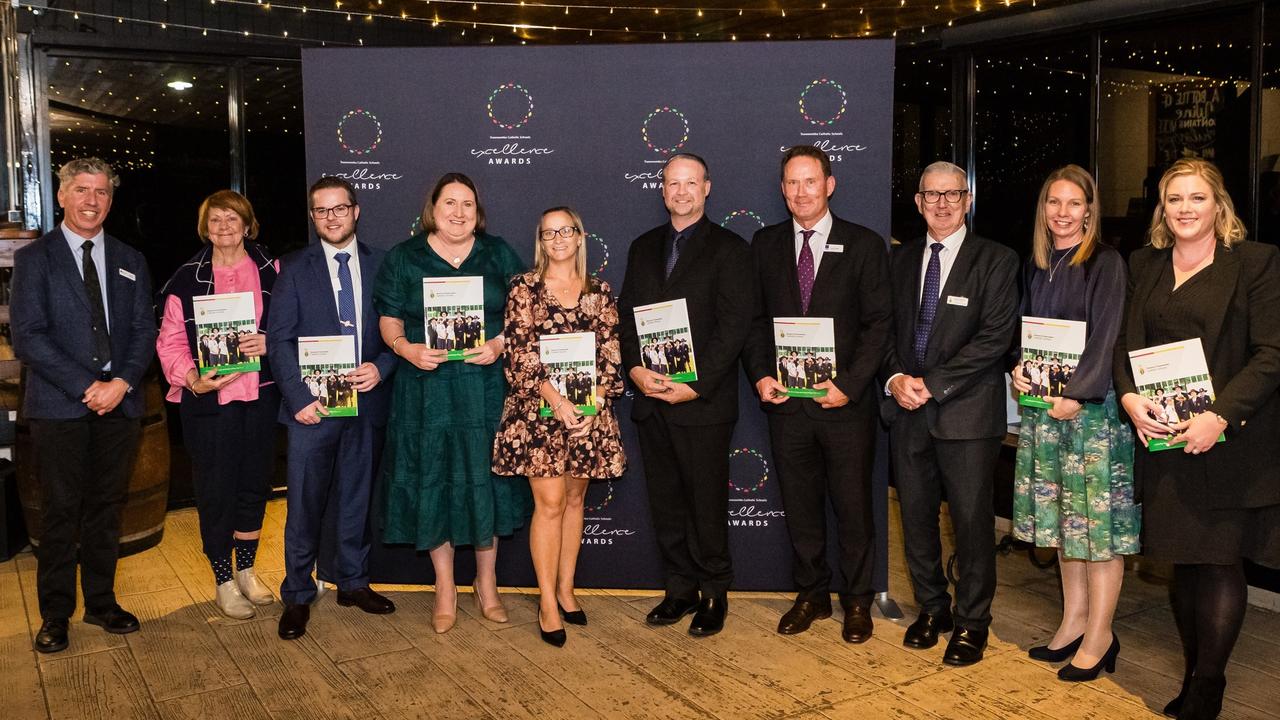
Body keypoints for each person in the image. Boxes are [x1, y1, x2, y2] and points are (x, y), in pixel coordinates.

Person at [1113, 158, 1280, 720]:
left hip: (1228, 442)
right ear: (1162, 208)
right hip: (1165, 441)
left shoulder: (1255, 262)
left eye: (1197, 198)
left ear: (1219, 204)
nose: (1185, 209)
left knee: (1217, 561)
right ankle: (1194, 675)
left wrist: (1221, 417)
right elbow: (1123, 346)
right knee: (1183, 562)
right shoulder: (1144, 263)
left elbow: (1272, 353)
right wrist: (1130, 398)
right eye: (1174, 199)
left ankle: (1208, 687)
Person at [743, 145, 892, 643]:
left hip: (845, 406)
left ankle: (856, 601)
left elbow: (878, 326)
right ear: (782, 190)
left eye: (810, 181)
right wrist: (762, 374)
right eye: (791, 183)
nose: (800, 192)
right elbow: (753, 321)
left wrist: (849, 385)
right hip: (788, 406)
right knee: (801, 505)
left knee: (853, 507)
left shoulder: (865, 245)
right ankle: (811, 595)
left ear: (829, 185)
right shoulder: (764, 246)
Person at [11, 158, 156, 653]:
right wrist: (86, 386)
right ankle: (55, 615)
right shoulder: (35, 260)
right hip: (59, 407)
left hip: (120, 404)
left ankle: (101, 603)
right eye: (81, 190)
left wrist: (120, 382)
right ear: (61, 197)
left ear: (110, 201)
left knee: (106, 509)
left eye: (101, 192)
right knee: (60, 512)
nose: (91, 200)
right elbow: (28, 337)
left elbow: (143, 331)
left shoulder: (130, 258)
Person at [375, 172, 530, 634]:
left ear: (477, 211)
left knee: (485, 482)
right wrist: (406, 349)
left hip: (484, 390)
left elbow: (524, 315)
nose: (458, 212)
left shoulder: (498, 253)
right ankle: (445, 587)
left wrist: (500, 344)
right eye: (449, 203)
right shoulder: (405, 257)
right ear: (433, 208)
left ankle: (487, 583)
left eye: (467, 204)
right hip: (426, 393)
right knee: (434, 480)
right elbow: (388, 321)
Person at [880, 161, 1019, 667]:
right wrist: (897, 379)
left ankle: (971, 622)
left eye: (952, 194)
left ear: (967, 201)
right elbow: (883, 329)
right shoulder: (897, 260)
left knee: (971, 524)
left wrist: (932, 385)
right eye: (931, 195)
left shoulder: (997, 260)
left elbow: (994, 339)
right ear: (917, 202)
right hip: (906, 410)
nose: (941, 203)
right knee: (914, 519)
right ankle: (932, 609)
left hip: (966, 414)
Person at [617, 152, 755, 637]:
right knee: (667, 504)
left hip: (703, 406)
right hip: (651, 402)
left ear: (707, 188)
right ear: (662, 190)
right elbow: (626, 316)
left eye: (690, 183)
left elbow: (734, 328)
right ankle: (679, 590)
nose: (681, 192)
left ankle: (715, 594)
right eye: (673, 183)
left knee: (706, 507)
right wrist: (633, 369)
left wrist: (692, 386)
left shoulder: (731, 250)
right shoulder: (642, 247)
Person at [1009, 165, 1137, 682]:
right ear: (1044, 209)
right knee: (1065, 525)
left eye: (1073, 204)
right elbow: (1025, 329)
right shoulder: (1038, 264)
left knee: (1097, 529)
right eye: (1053, 203)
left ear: (1090, 210)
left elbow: (1109, 335)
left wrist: (1077, 396)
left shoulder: (1105, 263)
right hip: (1046, 413)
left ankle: (1101, 635)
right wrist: (1019, 366)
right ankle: (1073, 622)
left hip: (1092, 417)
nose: (1062, 213)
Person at [267, 177, 399, 640]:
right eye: (321, 211)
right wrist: (298, 398)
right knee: (303, 504)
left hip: (366, 403)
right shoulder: (292, 267)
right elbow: (278, 339)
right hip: (312, 411)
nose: (331, 217)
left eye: (339, 208)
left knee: (357, 499)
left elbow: (398, 329)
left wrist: (383, 367)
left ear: (356, 211)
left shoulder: (383, 264)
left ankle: (353, 582)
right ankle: (298, 594)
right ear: (312, 216)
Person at [493, 207, 626, 647]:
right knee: (549, 502)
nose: (558, 239)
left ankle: (567, 588)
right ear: (540, 240)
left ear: (579, 236)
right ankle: (547, 601)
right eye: (548, 233)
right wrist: (559, 402)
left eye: (565, 231)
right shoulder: (524, 289)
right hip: (540, 415)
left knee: (574, 499)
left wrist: (594, 405)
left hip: (589, 417)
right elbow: (520, 355)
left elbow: (610, 355)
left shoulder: (600, 291)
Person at [156, 190, 279, 620]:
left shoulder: (274, 271)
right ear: (204, 228)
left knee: (254, 484)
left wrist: (272, 342)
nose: (224, 228)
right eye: (215, 221)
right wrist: (192, 378)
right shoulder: (186, 278)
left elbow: (295, 324)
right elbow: (169, 339)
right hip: (211, 401)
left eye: (233, 220)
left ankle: (247, 570)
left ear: (248, 225)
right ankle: (223, 578)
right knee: (215, 487)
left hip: (260, 395)